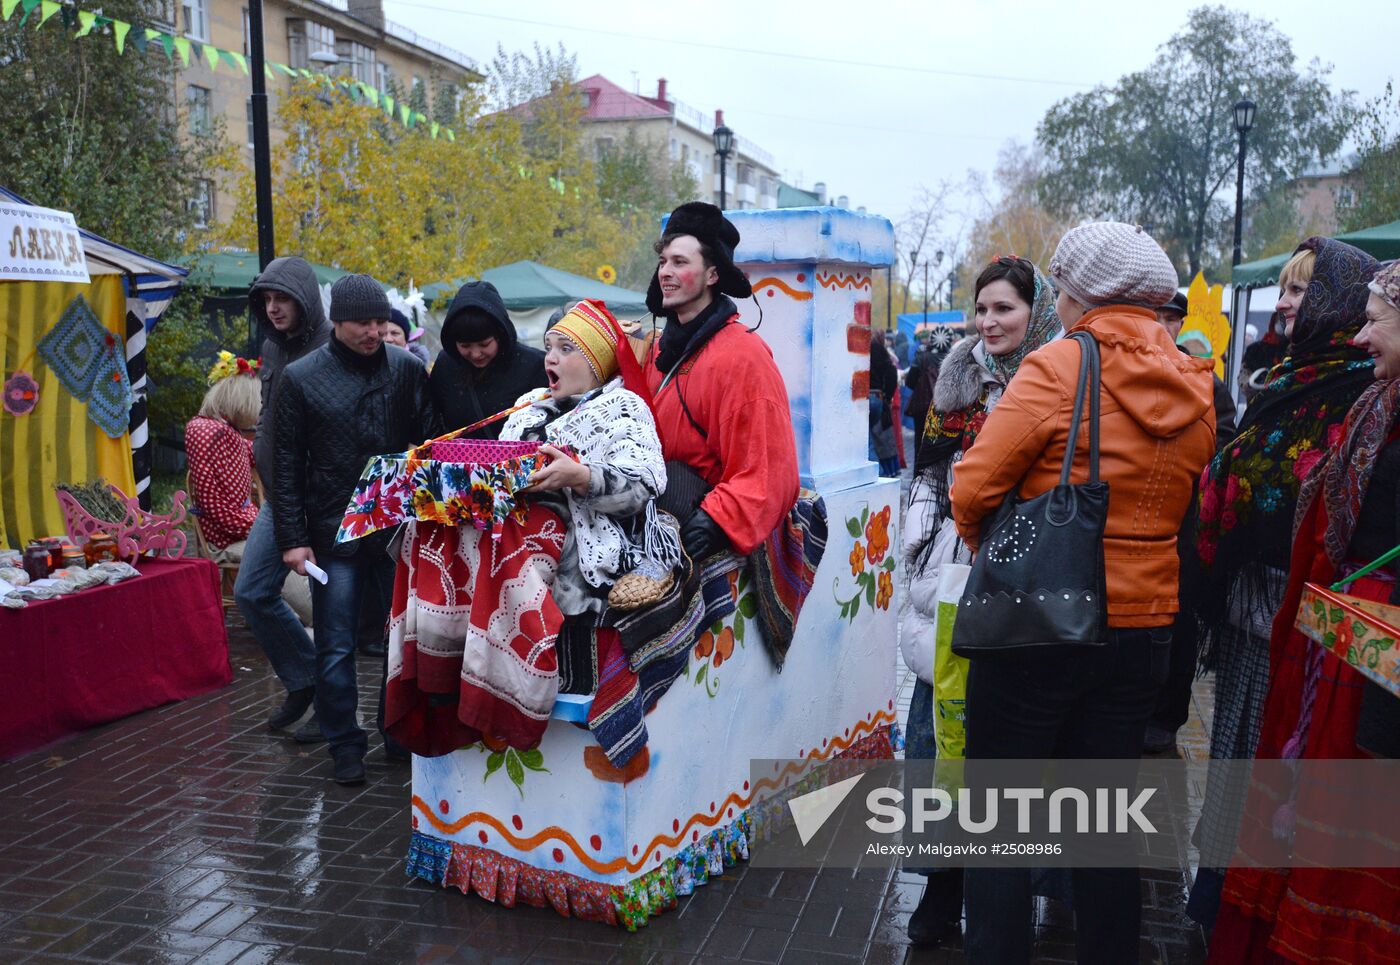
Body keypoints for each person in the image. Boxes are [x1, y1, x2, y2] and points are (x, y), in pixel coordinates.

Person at [951, 223, 1217, 963]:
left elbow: (972, 487)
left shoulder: (1059, 366)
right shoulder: (1199, 383)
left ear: (1083, 293)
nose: (1060, 302)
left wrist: (998, 557)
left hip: (1041, 623)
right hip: (1144, 632)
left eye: (1063, 288)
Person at [1207, 259, 1400, 964]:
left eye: (1374, 319)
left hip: (1375, 656)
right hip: (1336, 639)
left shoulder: (1360, 398)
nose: (1359, 337)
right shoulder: (1375, 403)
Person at [900, 255, 1064, 945]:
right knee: (938, 731)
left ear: (1038, 312)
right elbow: (930, 473)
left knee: (1009, 742)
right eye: (983, 308)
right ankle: (941, 883)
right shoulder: (956, 378)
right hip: (955, 575)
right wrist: (925, 545)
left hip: (1028, 576)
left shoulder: (1058, 380)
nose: (989, 322)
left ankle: (1007, 892)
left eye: (1005, 308)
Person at [273, 274, 436, 785]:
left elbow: (428, 445)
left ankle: (397, 732)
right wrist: (293, 539)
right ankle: (345, 742)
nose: (373, 331)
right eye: (362, 323)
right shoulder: (300, 378)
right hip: (332, 532)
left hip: (394, 529)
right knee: (336, 642)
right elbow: (285, 465)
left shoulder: (407, 369)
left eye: (379, 321)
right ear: (337, 323)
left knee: (399, 639)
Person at [643, 202, 799, 563]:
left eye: (680, 262)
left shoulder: (744, 357)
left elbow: (769, 470)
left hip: (701, 524)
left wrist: (715, 521)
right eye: (663, 261)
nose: (665, 272)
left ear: (713, 275)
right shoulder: (652, 352)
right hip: (652, 519)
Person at [234, 256, 330, 738]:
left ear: (305, 299)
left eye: (282, 298)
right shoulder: (272, 348)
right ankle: (305, 679)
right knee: (251, 591)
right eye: (266, 300)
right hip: (278, 498)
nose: (273, 308)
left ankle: (335, 711)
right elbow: (269, 411)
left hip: (322, 502)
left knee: (333, 612)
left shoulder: (332, 347)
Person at [1143, 292, 1239, 755]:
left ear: (1181, 324)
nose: (1163, 326)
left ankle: (1166, 717)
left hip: (1182, 526)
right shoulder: (1131, 369)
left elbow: (1223, 449)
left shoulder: (1205, 381)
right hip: (1132, 522)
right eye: (1154, 317)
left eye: (1170, 319)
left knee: (1178, 622)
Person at [429, 280, 546, 438]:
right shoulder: (447, 365)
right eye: (465, 346)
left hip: (516, 461)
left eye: (484, 344)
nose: (476, 354)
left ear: (500, 336)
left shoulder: (533, 365)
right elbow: (434, 419)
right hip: (457, 460)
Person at [185, 353, 261, 560]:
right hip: (226, 538)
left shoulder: (226, 432)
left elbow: (257, 452)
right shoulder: (210, 432)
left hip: (239, 531)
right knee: (289, 560)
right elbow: (217, 509)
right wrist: (264, 528)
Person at [869, 330, 900, 476]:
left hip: (865, 398)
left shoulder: (865, 348)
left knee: (869, 442)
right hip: (878, 397)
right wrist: (887, 396)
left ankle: (879, 474)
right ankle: (886, 472)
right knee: (876, 439)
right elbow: (892, 372)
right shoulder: (880, 350)